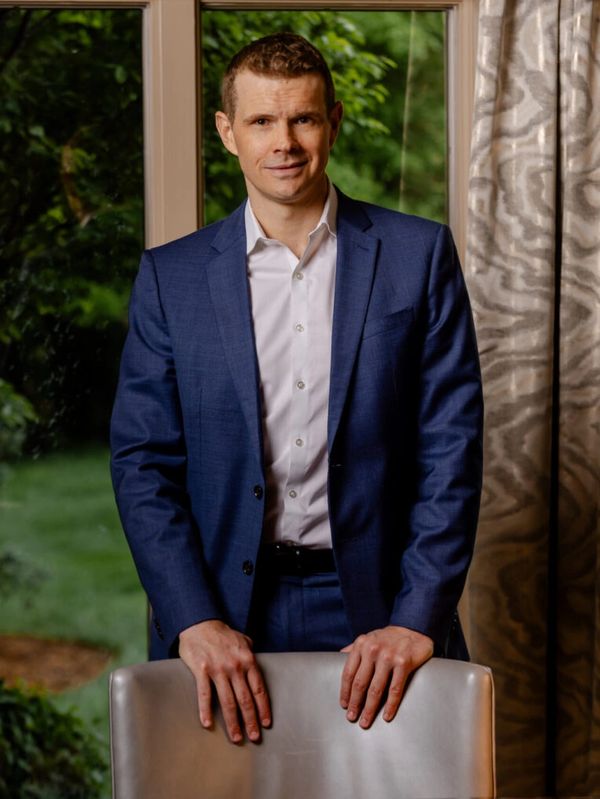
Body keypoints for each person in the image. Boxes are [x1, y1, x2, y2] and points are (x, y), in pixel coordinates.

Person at [110, 32, 483, 746]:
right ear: (227, 132)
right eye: (261, 121)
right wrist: (191, 616)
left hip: (379, 605)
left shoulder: (417, 256)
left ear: (333, 123)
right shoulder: (172, 278)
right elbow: (142, 463)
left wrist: (415, 617)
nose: (284, 141)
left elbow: (452, 451)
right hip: (225, 612)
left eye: (303, 119)